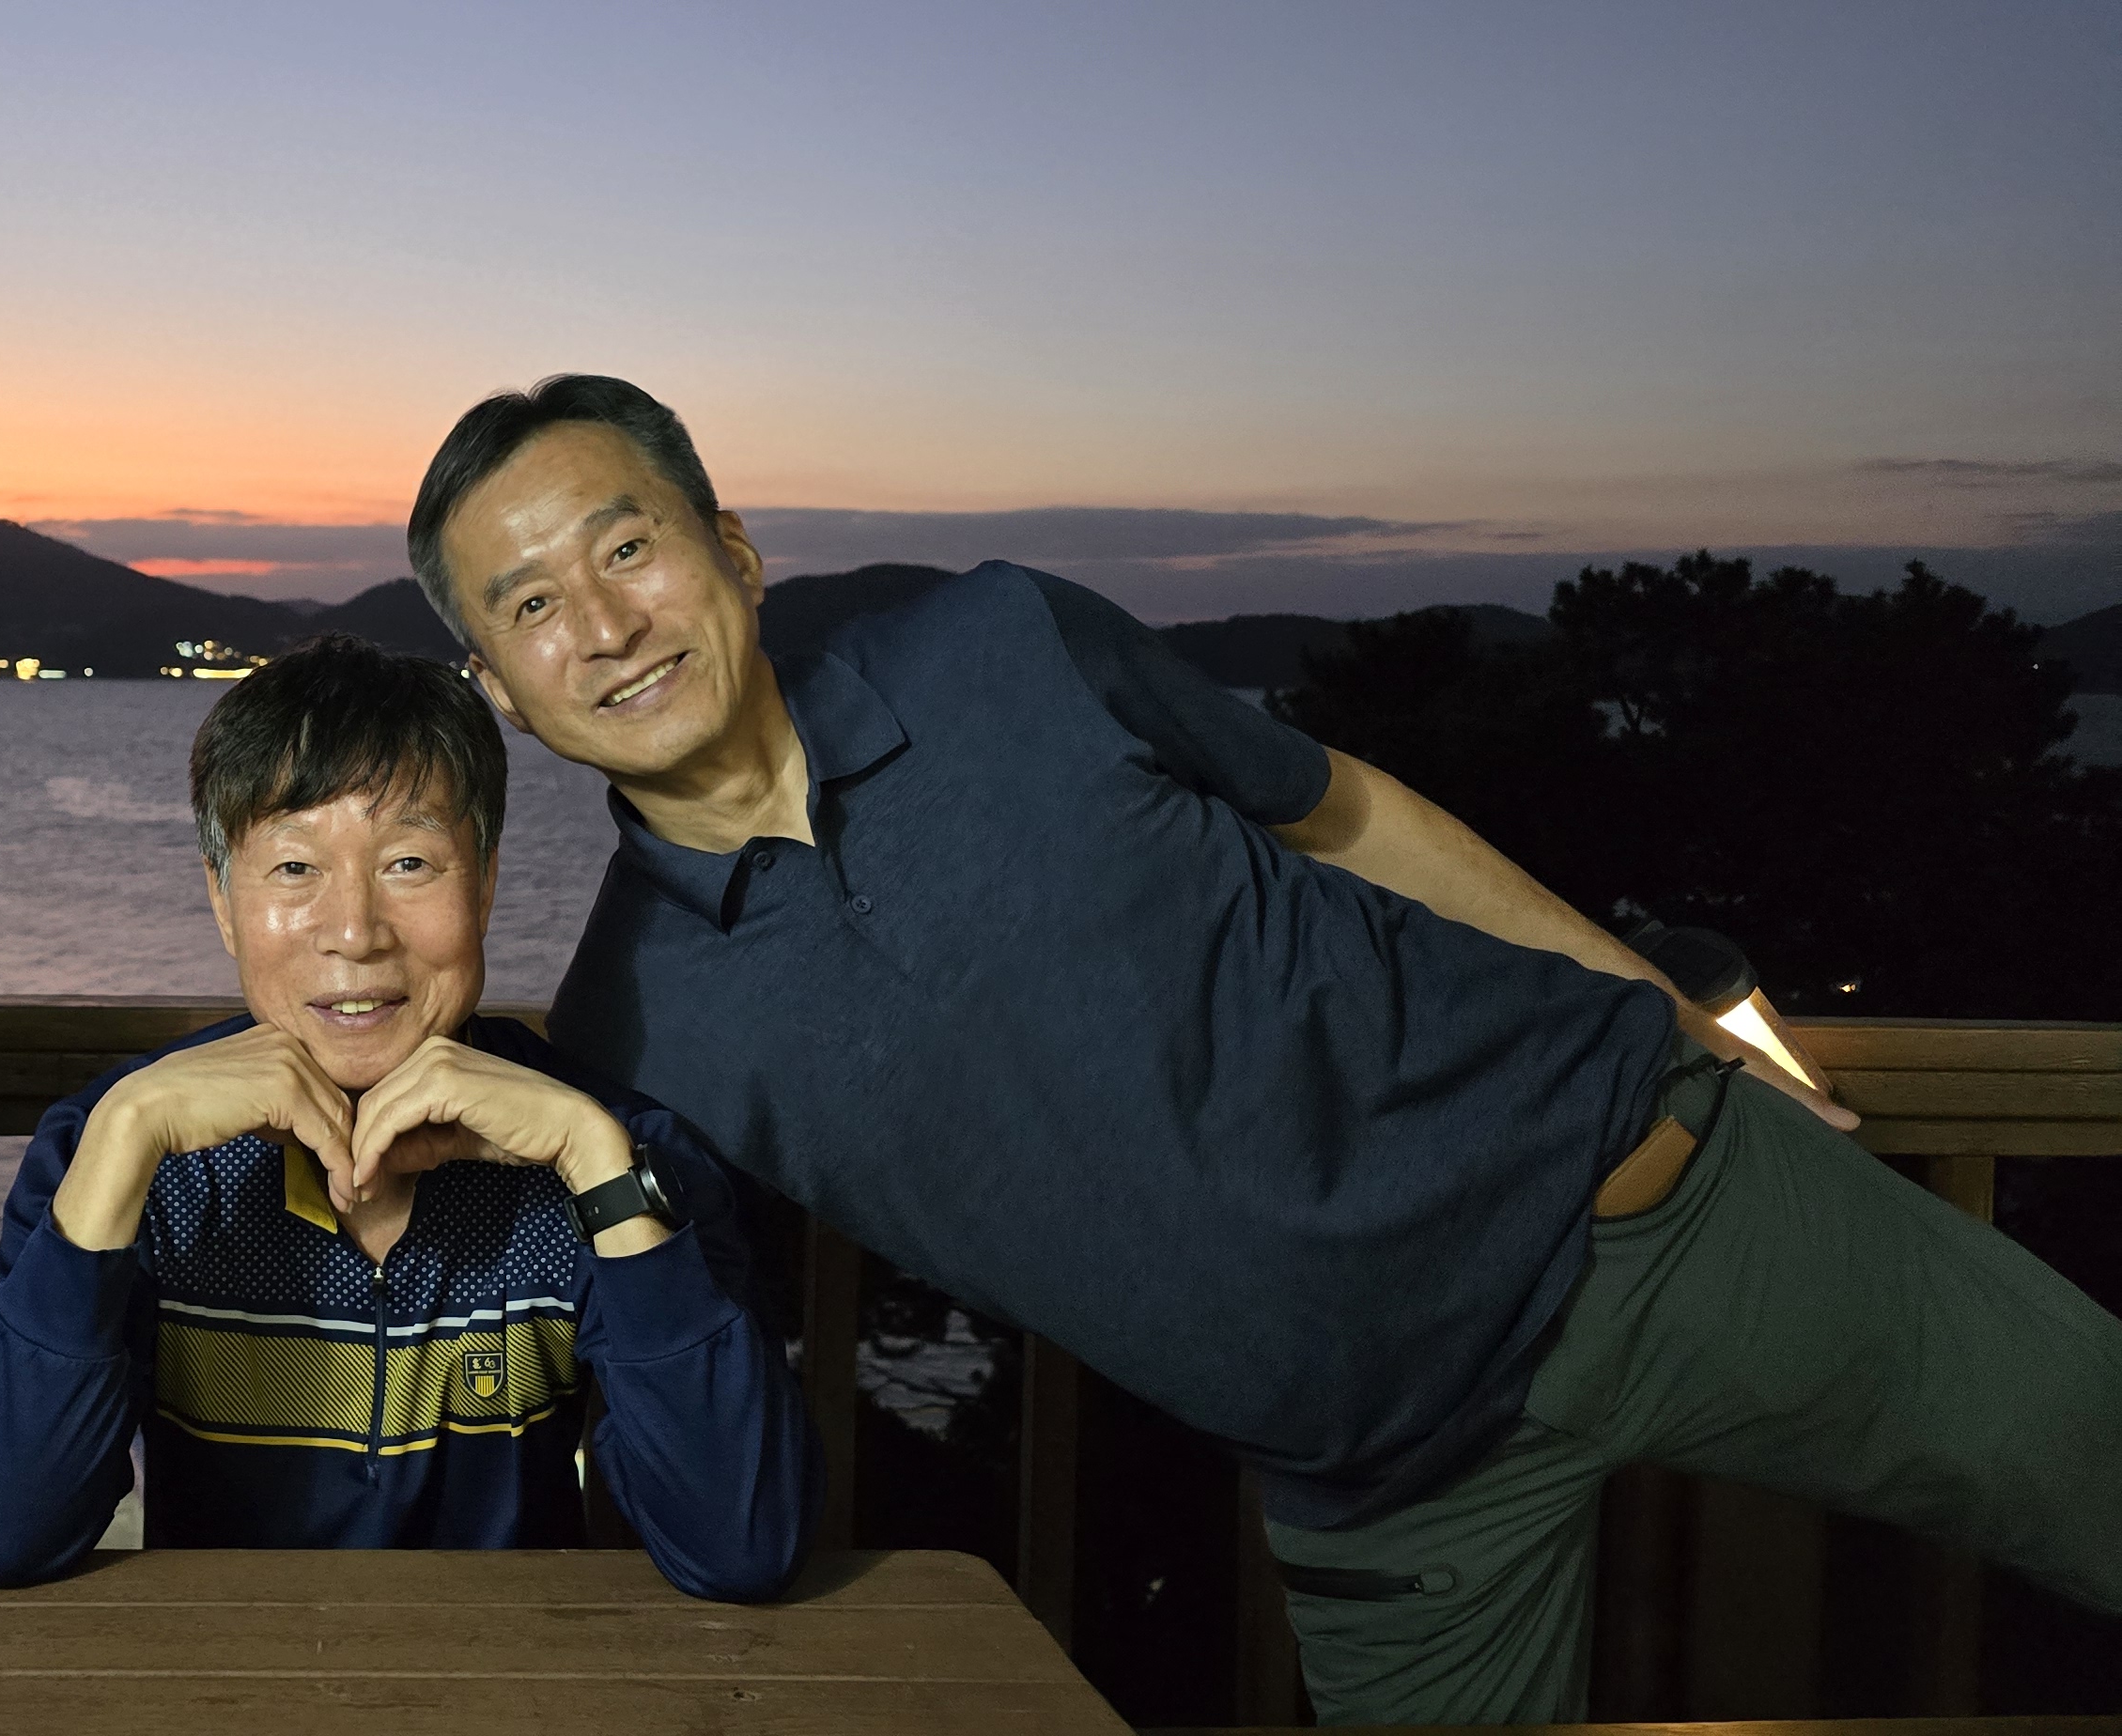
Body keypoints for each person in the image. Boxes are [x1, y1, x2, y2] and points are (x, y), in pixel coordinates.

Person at [402, 375, 2122, 1721]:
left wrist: (1668, 1010)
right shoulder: (638, 1023)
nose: (605, 626)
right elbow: (692, 1395)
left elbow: (1342, 810)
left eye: (627, 548)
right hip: (1396, 1505)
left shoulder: (1005, 642)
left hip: (1662, 1214)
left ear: (733, 548)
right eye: (533, 603)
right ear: (496, 684)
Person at [0, 634, 818, 1601]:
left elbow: (740, 1546)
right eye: (293, 868)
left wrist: (599, 1163)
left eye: (408, 861)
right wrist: (125, 1136)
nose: (353, 932)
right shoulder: (114, 1149)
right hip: (218, 1666)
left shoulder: (613, 1153)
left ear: (484, 883)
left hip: (514, 1665)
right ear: (222, 902)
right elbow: (2, 1533)